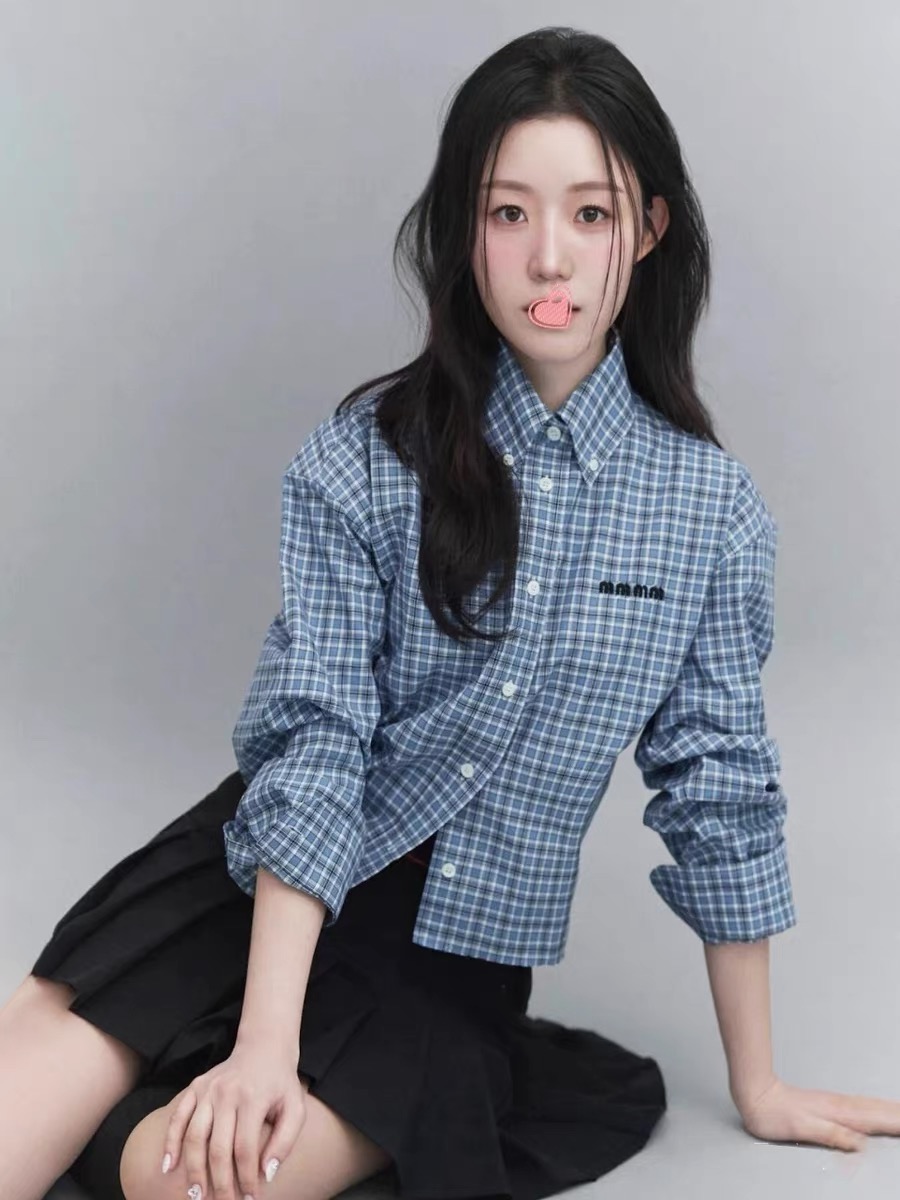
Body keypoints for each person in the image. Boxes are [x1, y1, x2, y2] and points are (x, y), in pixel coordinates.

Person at [4, 22, 900, 1200]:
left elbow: (719, 788)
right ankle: (173, 1067)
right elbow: (318, 744)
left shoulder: (711, 512)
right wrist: (263, 1044)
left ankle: (148, 1109)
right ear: (463, 233)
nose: (549, 258)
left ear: (648, 229)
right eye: (506, 212)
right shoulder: (363, 460)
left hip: (436, 966)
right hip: (248, 890)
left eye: (590, 213)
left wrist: (762, 1083)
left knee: (179, 1184)